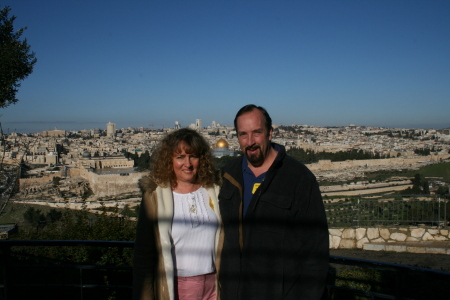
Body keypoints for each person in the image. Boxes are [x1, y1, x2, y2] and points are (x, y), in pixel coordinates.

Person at [218, 104, 329, 300]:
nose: (250, 141)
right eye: (243, 134)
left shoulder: (299, 179)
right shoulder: (228, 175)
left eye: (257, 133)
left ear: (270, 133)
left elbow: (315, 252)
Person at [133, 128, 222, 300]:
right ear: (169, 160)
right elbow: (144, 254)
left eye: (193, 156)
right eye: (180, 157)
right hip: (177, 287)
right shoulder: (156, 197)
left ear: (201, 159)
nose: (187, 164)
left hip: (215, 286)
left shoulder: (214, 190)